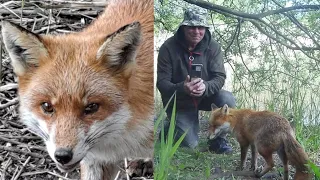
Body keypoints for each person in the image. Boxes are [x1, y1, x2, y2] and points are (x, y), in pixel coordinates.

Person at [157, 8, 236, 153]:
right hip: (180, 101)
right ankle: (170, 128)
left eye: (201, 27)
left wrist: (205, 86)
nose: (196, 31)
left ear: (205, 28)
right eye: (192, 27)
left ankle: (218, 140)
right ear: (183, 27)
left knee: (227, 99)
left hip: (206, 97)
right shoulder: (168, 48)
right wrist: (183, 88)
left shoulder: (213, 47)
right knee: (188, 145)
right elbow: (162, 83)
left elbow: (219, 77)